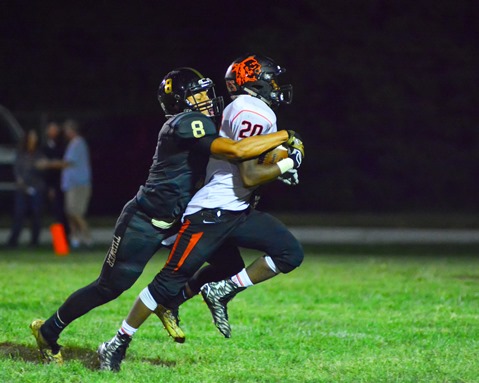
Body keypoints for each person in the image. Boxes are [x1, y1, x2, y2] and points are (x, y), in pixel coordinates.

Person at [30, 66, 302, 365]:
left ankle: (170, 303)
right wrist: (285, 136)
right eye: (198, 93)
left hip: (181, 217)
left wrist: (276, 162)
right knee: (109, 287)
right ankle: (49, 331)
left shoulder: (205, 120)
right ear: (181, 101)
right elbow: (237, 151)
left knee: (228, 264)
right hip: (146, 221)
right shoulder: (186, 122)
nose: (206, 98)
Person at [6, 129, 47, 247]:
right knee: (19, 214)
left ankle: (34, 241)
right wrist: (19, 179)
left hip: (36, 188)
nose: (34, 139)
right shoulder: (21, 153)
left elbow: (43, 169)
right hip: (22, 188)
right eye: (32, 136)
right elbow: (16, 168)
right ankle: (13, 241)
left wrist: (42, 167)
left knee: (36, 214)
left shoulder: (39, 153)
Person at [41, 121, 69, 237]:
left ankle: (66, 238)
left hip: (63, 183)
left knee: (64, 212)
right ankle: (59, 241)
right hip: (52, 184)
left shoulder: (62, 146)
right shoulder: (44, 147)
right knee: (55, 213)